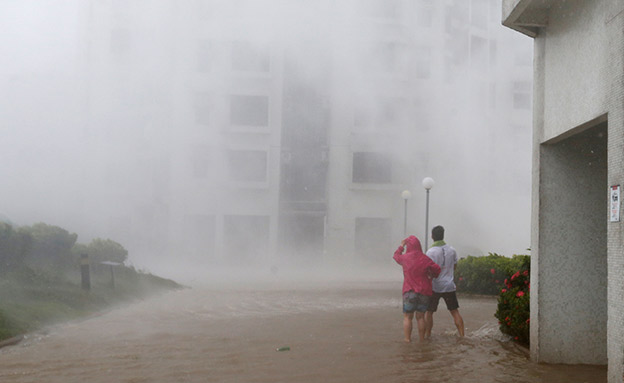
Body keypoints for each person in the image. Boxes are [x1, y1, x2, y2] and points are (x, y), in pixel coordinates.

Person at [393, 235, 441, 343]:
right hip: (424, 292)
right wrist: (432, 275)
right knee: (420, 317)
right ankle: (422, 340)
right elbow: (437, 269)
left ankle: (407, 340)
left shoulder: (405, 258)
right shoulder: (425, 258)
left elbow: (396, 256)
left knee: (407, 317)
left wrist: (401, 246)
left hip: (409, 291)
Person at [424, 225, 465, 338]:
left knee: (429, 312)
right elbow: (454, 266)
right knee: (455, 312)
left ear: (432, 236)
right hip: (449, 286)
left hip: (434, 286)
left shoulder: (430, 252)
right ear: (443, 235)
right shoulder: (452, 250)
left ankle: (428, 336)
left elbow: (427, 270)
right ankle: (462, 336)